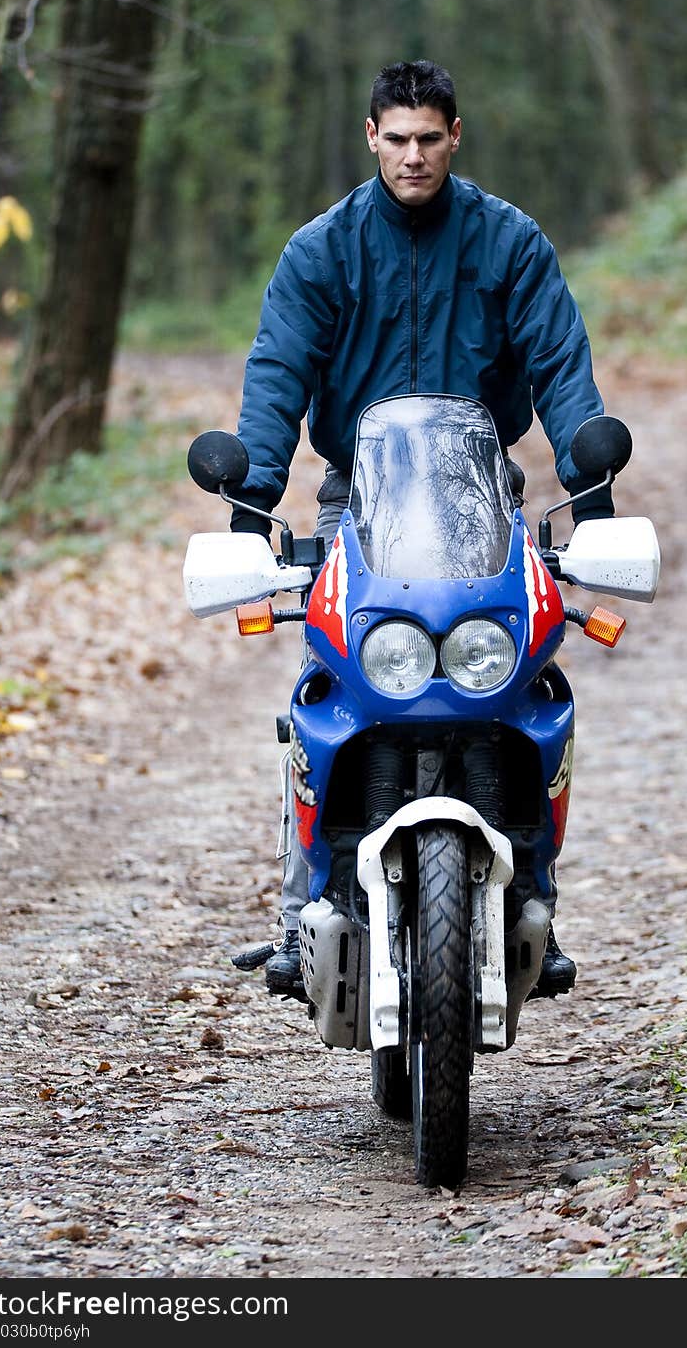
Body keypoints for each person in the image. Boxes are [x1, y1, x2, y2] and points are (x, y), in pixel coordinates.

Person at [230, 60, 614, 1001]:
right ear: (370, 137)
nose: (413, 155)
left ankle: (535, 893)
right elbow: (280, 367)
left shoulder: (507, 241)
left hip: (483, 493)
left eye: (429, 138)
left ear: (455, 135)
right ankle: (299, 909)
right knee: (326, 684)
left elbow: (559, 357)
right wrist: (252, 501)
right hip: (356, 494)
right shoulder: (323, 250)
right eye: (396, 138)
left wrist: (590, 487)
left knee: (528, 676)